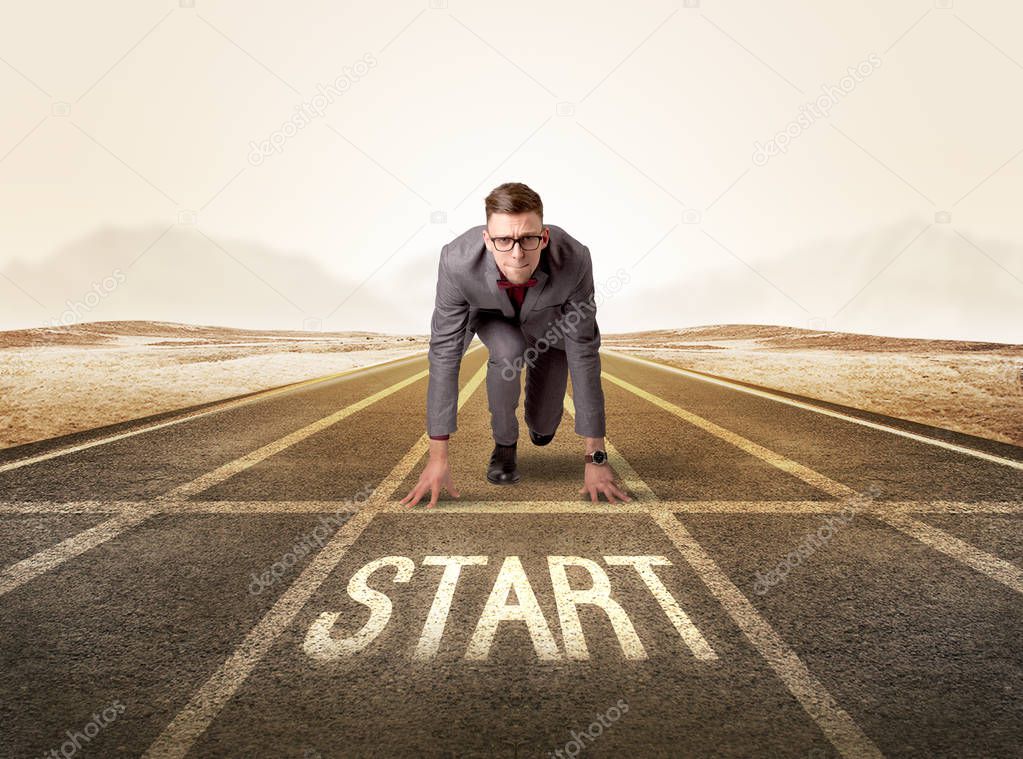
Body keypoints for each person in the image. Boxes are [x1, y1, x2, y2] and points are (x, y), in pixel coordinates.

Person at [400, 182, 631, 508]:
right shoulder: (456, 262)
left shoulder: (575, 259)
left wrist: (595, 457)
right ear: (487, 239)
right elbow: (444, 354)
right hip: (495, 320)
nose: (517, 253)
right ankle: (504, 446)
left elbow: (583, 351)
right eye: (504, 240)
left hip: (549, 330)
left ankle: (538, 429)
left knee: (544, 427)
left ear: (545, 236)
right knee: (508, 353)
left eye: (528, 239)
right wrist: (438, 457)